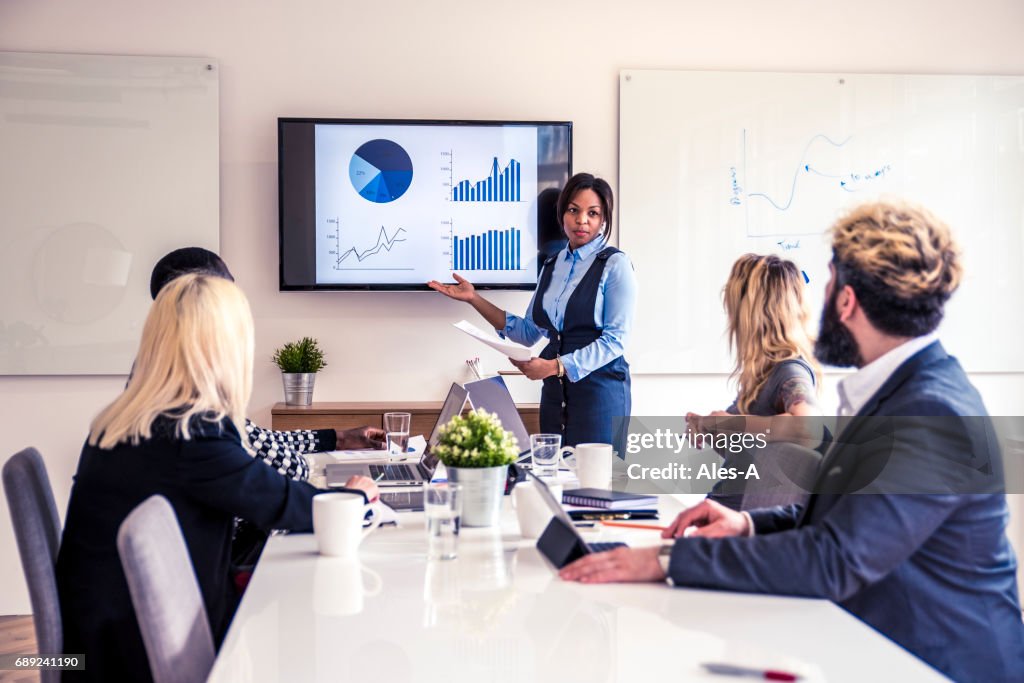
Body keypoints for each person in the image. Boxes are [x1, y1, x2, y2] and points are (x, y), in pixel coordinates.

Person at [559, 201, 1024, 682]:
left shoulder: (930, 411)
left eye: (824, 283)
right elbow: (842, 516)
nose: (813, 300)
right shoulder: (903, 389)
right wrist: (746, 524)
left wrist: (667, 560)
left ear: (846, 300)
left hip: (941, 665)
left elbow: (834, 558)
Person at [55, 274, 378, 683]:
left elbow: (257, 487)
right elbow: (281, 503)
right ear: (226, 348)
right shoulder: (188, 434)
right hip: (132, 660)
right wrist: (353, 499)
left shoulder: (127, 421)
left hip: (94, 643)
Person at [428, 173, 637, 450]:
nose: (582, 220)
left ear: (603, 220)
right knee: (554, 476)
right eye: (574, 210)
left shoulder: (615, 265)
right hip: (554, 395)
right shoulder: (552, 265)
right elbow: (528, 332)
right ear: (562, 214)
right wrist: (473, 298)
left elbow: (615, 341)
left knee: (596, 483)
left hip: (599, 392)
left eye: (593, 213)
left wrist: (553, 366)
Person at [150, 247, 384, 481]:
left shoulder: (160, 387)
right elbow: (293, 468)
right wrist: (354, 497)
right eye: (230, 290)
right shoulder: (197, 411)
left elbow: (258, 438)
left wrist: (339, 438)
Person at [685, 253, 822, 510]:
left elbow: (809, 429)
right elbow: (758, 457)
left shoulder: (790, 372)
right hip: (723, 512)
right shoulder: (764, 375)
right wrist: (712, 428)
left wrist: (731, 423)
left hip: (736, 523)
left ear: (752, 314)